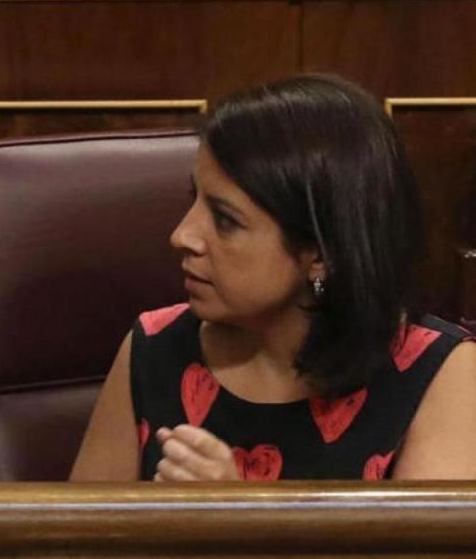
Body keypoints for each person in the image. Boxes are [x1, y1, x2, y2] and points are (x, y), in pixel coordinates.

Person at [70, 75, 476, 481]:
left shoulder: (443, 375)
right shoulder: (153, 347)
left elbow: (428, 546)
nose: (182, 236)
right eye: (194, 200)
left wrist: (240, 520)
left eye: (225, 220)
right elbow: (72, 541)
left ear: (321, 254)